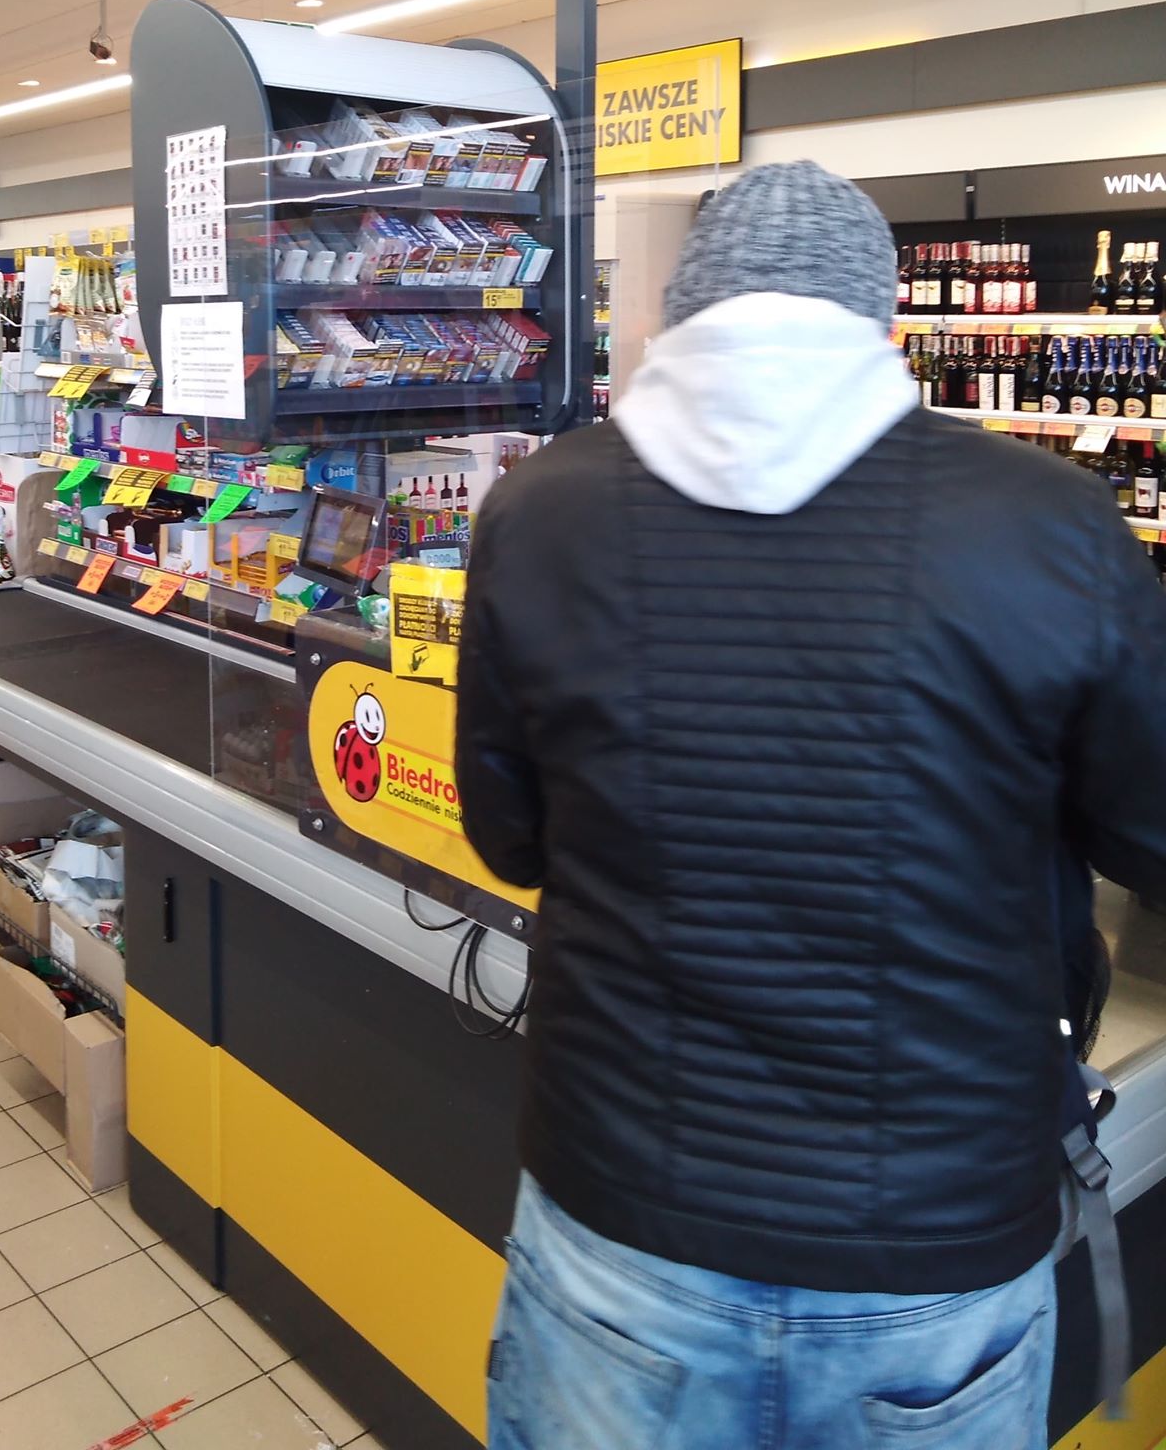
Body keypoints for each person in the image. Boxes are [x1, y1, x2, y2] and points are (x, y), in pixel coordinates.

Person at [455, 160, 1166, 1450]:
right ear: (881, 316)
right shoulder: (1050, 522)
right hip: (936, 1236)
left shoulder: (538, 511)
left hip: (624, 1213)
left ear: (681, 308)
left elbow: (508, 836)